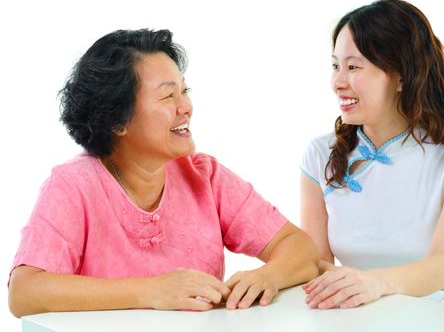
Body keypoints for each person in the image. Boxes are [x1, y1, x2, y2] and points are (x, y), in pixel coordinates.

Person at [8, 29, 319, 317]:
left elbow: (300, 247)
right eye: (168, 96)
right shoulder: (73, 186)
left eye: (185, 91)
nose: (186, 107)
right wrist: (154, 290)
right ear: (118, 120)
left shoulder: (204, 175)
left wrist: (268, 276)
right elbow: (25, 292)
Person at [300, 0, 444, 309]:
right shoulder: (319, 154)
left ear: (401, 75)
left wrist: (375, 283)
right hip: (349, 321)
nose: (338, 82)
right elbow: (316, 264)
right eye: (335, 66)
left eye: (353, 67)